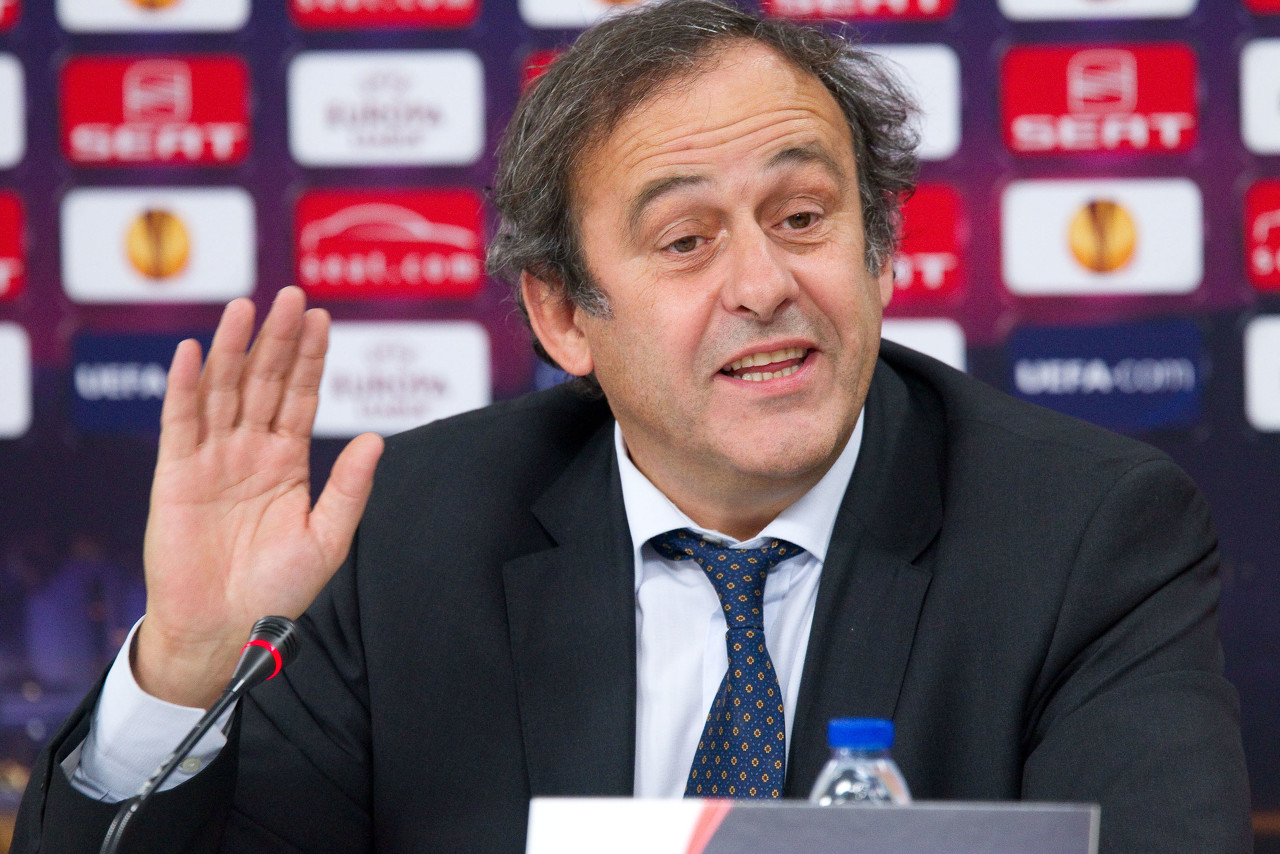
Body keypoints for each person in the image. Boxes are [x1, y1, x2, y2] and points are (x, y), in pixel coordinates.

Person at [13, 1, 1250, 851]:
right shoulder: (406, 540)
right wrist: (184, 670)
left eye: (803, 217)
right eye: (684, 239)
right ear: (562, 315)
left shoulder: (1081, 534)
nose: (761, 282)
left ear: (878, 252)